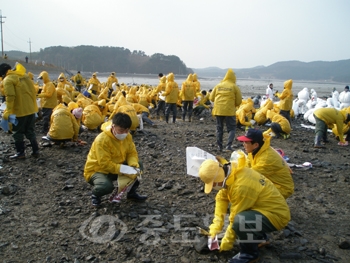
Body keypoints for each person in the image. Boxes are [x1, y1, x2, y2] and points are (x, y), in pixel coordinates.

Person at [198, 156, 290, 262]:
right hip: (265, 208)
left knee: (241, 221)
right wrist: (215, 228)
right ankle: (259, 239)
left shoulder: (241, 187)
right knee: (243, 219)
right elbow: (221, 198)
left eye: (213, 184)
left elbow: (234, 218)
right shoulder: (231, 173)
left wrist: (226, 243)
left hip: (277, 216)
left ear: (217, 178)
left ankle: (249, 255)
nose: (213, 187)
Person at [83, 112, 147, 206]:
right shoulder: (102, 140)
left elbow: (131, 153)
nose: (124, 133)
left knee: (138, 166)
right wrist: (125, 169)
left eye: (127, 130)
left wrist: (133, 166)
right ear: (113, 127)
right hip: (97, 170)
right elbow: (104, 164)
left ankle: (131, 194)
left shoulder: (127, 136)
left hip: (116, 166)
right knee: (105, 186)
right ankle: (96, 195)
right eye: (121, 130)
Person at [237, 128, 294, 198]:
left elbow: (249, 175)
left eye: (246, 142)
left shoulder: (266, 159)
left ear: (255, 145)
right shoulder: (254, 151)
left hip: (281, 188)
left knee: (249, 190)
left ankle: (269, 206)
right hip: (271, 182)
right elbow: (247, 165)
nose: (243, 144)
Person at [0, 62, 40, 159]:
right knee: (30, 130)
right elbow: (33, 91)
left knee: (17, 132)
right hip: (31, 109)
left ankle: (20, 153)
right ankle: (36, 150)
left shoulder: (8, 80)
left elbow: (10, 97)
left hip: (19, 111)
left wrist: (8, 111)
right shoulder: (24, 76)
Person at [209, 69, 242, 152]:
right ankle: (228, 146)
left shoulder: (218, 85)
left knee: (219, 128)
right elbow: (239, 101)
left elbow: (211, 98)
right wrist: (233, 104)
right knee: (232, 128)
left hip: (218, 110)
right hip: (229, 110)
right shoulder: (234, 87)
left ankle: (219, 146)